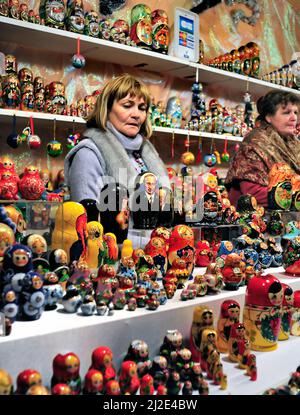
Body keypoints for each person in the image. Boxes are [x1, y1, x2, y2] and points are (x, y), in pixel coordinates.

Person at [64, 74, 170, 228]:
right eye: (127, 105)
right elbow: (88, 224)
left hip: (153, 248)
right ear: (106, 108)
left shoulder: (143, 153)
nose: (136, 115)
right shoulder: (88, 154)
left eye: (142, 108)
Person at [225, 90, 300, 207]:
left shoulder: (292, 143)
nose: (294, 118)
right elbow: (253, 194)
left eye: (296, 112)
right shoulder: (254, 143)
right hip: (254, 220)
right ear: (269, 117)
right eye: (286, 112)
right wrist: (295, 196)